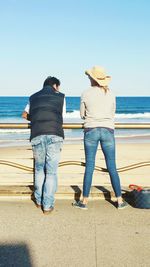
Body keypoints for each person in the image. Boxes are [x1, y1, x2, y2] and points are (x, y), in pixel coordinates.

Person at [73, 66, 128, 210]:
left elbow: (81, 114)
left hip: (91, 130)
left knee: (89, 166)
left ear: (92, 78)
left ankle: (84, 202)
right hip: (108, 130)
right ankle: (120, 200)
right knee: (112, 166)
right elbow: (112, 112)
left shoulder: (85, 93)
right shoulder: (111, 93)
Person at [22, 76, 65, 214]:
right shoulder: (61, 96)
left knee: (39, 169)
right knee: (51, 172)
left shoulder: (33, 97)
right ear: (55, 85)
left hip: (37, 134)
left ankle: (39, 200)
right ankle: (47, 205)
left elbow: (24, 115)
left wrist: (35, 117)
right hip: (54, 134)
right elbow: (62, 115)